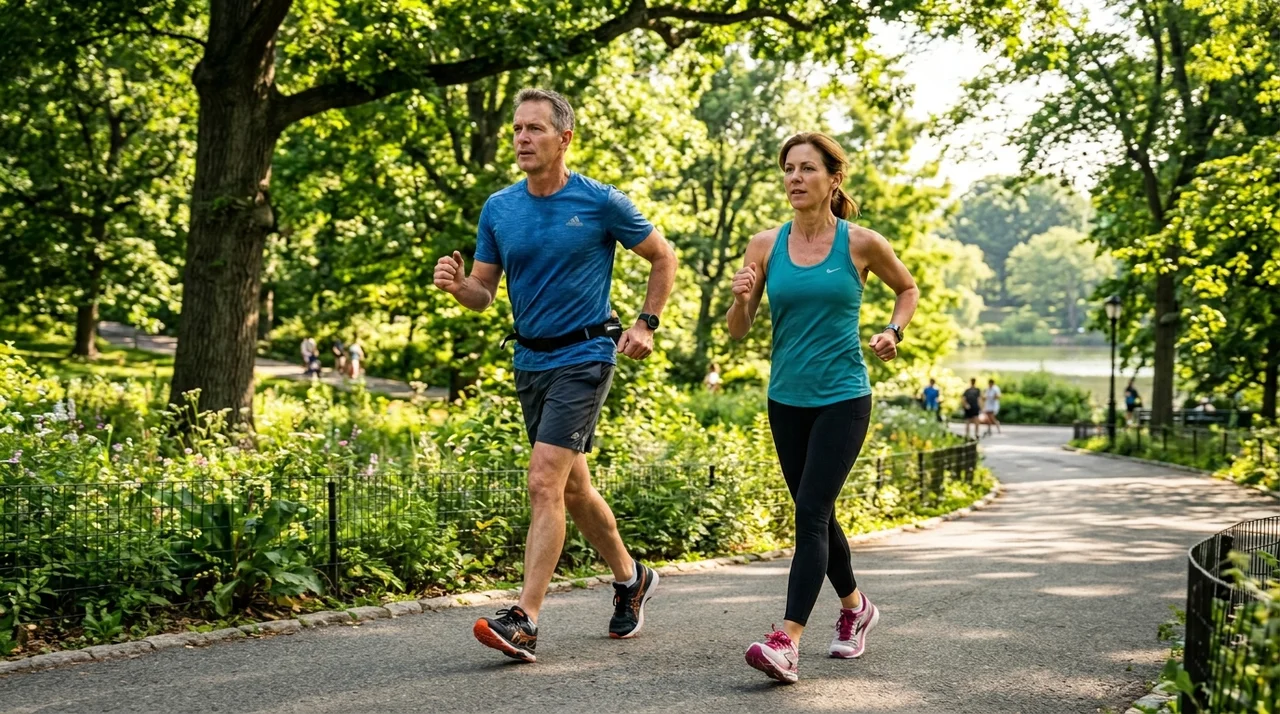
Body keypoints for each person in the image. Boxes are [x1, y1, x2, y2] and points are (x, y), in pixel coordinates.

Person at [433, 88, 677, 663]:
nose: (522, 138)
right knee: (572, 486)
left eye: (535, 129)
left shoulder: (600, 202)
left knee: (543, 480)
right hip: (530, 360)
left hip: (586, 355)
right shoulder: (499, 208)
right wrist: (457, 283)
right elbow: (484, 294)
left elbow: (662, 257)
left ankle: (525, 618)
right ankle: (631, 577)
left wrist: (646, 323)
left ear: (563, 138)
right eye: (517, 129)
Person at [726, 132, 919, 684]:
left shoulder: (860, 243)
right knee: (819, 513)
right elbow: (738, 333)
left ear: (834, 179)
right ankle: (857, 608)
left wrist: (892, 330)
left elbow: (906, 289)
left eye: (807, 168)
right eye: (788, 168)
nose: (794, 178)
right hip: (785, 399)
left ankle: (785, 640)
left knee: (809, 513)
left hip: (843, 396)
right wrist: (741, 299)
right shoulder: (764, 245)